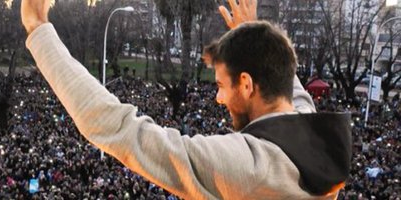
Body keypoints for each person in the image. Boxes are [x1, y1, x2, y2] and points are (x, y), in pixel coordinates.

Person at [21, 0, 352, 199]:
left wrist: (39, 31)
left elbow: (122, 130)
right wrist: (256, 33)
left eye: (221, 85)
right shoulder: (316, 137)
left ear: (247, 84)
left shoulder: (247, 169)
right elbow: (291, 90)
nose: (219, 98)